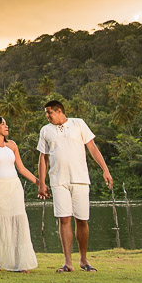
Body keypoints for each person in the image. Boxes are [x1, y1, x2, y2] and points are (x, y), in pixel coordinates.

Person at [36, 100, 113, 273]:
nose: (47, 116)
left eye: (49, 113)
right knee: (64, 219)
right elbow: (43, 158)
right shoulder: (45, 130)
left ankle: (84, 260)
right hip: (58, 181)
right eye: (46, 114)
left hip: (80, 179)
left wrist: (105, 170)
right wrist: (42, 183)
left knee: (82, 220)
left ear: (59, 111)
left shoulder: (78, 124)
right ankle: (68, 262)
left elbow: (92, 148)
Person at [0, 116, 39, 272]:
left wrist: (39, 182)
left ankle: (20, 263)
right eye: (3, 124)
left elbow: (22, 168)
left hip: (14, 188)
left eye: (6, 124)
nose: (6, 126)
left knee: (18, 223)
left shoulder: (12, 145)